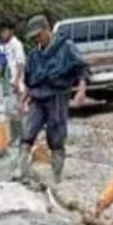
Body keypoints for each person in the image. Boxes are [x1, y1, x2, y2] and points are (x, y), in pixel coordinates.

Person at [17, 14, 89, 185]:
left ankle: (55, 176)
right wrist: (23, 100)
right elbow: (29, 81)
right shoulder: (34, 55)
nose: (37, 40)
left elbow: (81, 69)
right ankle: (21, 171)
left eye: (38, 35)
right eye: (33, 38)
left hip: (57, 95)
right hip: (38, 97)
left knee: (56, 135)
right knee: (28, 132)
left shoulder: (66, 47)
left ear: (47, 30)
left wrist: (81, 90)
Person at [0, 20, 27, 145]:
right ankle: (14, 137)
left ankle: (23, 137)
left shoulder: (17, 44)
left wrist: (17, 81)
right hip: (7, 81)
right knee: (9, 111)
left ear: (11, 31)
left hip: (15, 82)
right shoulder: (6, 46)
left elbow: (20, 63)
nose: (2, 34)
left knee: (16, 111)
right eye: (2, 32)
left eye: (5, 31)